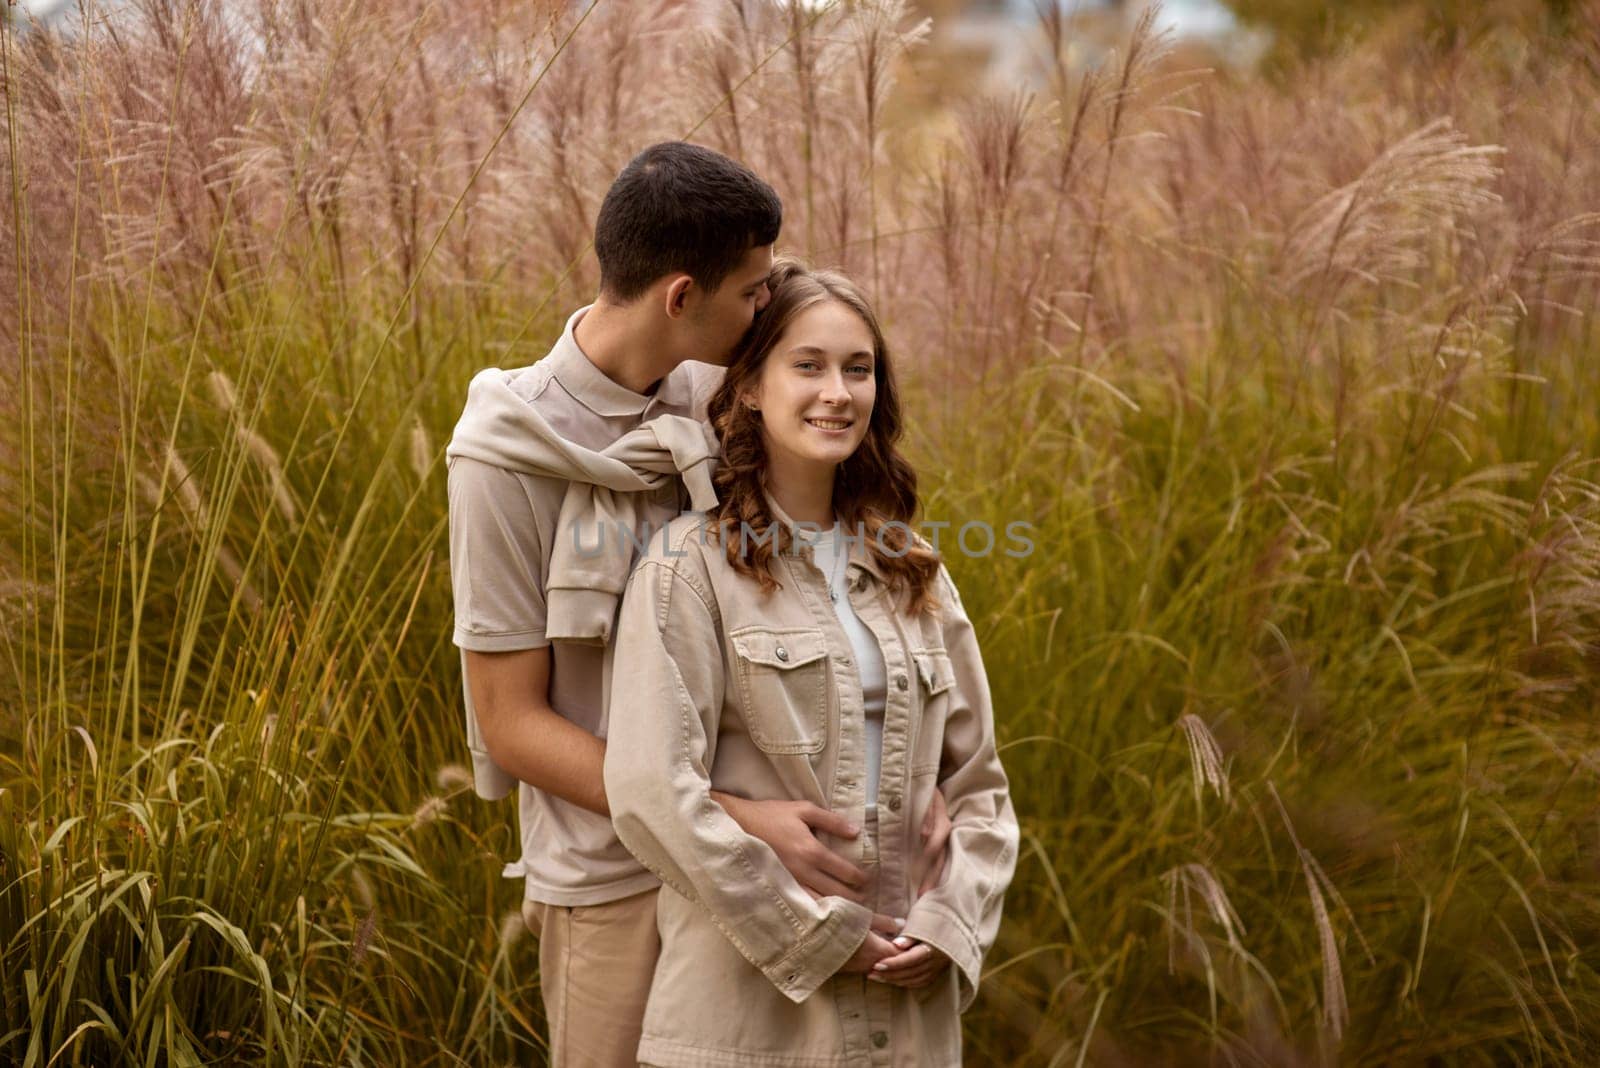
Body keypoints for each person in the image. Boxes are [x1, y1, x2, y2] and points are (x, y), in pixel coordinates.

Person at [446, 144, 952, 1067]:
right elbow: (509, 723)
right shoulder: (505, 454)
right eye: (754, 291)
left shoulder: (719, 392)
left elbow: (825, 580)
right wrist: (723, 813)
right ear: (683, 296)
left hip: (759, 872)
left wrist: (923, 779)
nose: (767, 305)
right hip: (612, 874)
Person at [604, 260, 1019, 1068]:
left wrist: (951, 926)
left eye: (857, 369)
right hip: (746, 1020)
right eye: (809, 365)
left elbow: (980, 789)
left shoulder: (913, 569)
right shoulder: (689, 568)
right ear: (751, 387)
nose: (838, 392)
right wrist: (814, 937)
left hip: (909, 1012)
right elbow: (653, 790)